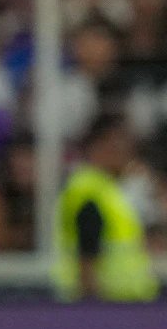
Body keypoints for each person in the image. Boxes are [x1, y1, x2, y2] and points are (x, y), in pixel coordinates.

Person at [53, 114, 158, 302]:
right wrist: (93, 306)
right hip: (107, 304)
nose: (125, 155)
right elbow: (86, 255)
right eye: (118, 147)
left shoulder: (106, 189)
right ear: (99, 147)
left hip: (121, 302)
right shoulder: (89, 192)